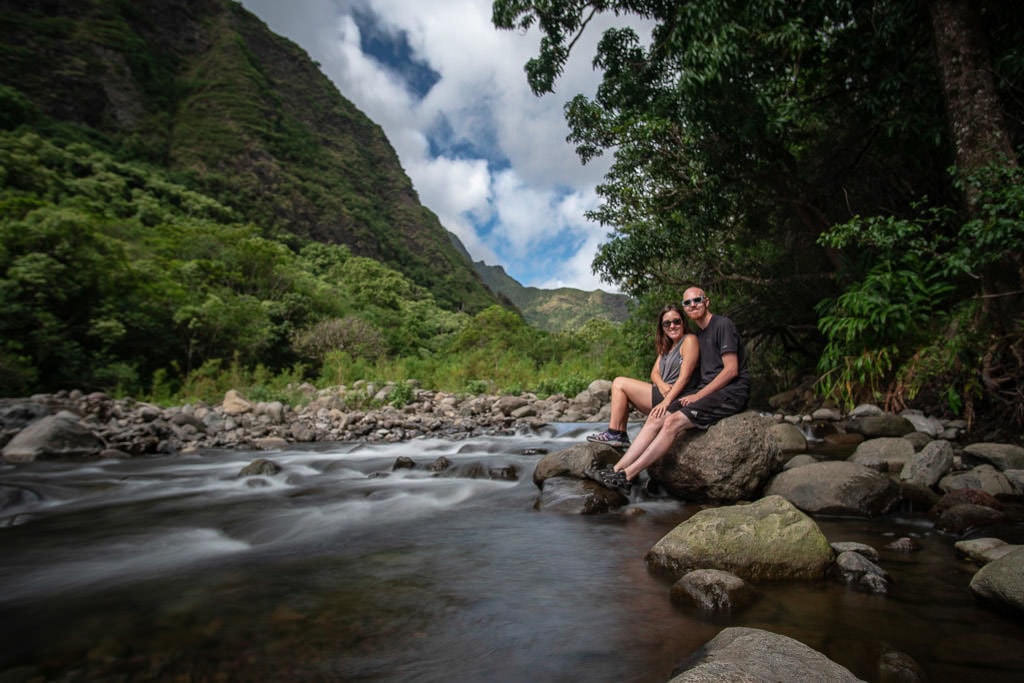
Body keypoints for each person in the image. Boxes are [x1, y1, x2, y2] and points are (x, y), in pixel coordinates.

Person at [589, 286, 749, 494]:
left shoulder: (722, 325)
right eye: (688, 302)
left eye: (697, 300)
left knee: (672, 421)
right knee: (656, 418)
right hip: (706, 392)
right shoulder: (699, 335)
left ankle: (627, 475)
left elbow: (731, 370)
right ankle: (618, 468)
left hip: (730, 392)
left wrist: (697, 395)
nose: (693, 305)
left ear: (706, 302)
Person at [586, 305, 700, 449]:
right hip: (663, 391)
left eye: (676, 321)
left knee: (619, 383)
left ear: (683, 322)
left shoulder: (689, 340)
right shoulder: (667, 345)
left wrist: (666, 402)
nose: (672, 326)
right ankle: (619, 433)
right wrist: (662, 385)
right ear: (662, 326)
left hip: (674, 396)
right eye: (667, 323)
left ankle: (616, 433)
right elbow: (654, 373)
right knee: (621, 387)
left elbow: (685, 377)